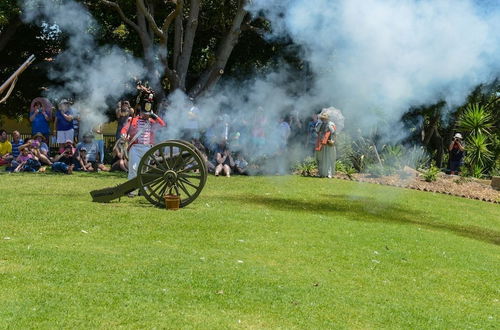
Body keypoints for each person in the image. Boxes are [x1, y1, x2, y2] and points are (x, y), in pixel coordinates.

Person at [121, 107, 166, 187]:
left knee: (145, 170)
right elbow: (124, 129)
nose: (146, 116)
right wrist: (124, 135)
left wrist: (154, 116)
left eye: (148, 114)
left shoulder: (152, 122)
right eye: (145, 113)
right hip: (135, 148)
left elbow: (162, 125)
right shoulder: (134, 120)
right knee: (133, 169)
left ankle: (143, 189)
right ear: (141, 112)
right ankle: (131, 190)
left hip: (148, 148)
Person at [315, 110, 336, 178]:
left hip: (329, 144)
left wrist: (328, 125)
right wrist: (320, 123)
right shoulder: (320, 124)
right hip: (321, 144)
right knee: (321, 159)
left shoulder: (331, 124)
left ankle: (329, 173)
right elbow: (317, 130)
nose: (324, 119)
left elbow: (333, 132)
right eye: (322, 118)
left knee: (329, 159)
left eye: (325, 118)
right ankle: (322, 173)